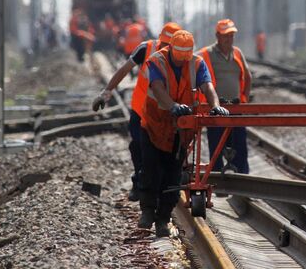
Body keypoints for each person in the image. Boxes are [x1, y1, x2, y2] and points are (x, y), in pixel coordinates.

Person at [139, 30, 229, 237]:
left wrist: (215, 106)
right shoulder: (156, 62)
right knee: (151, 168)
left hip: (179, 129)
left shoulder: (196, 63)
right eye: (179, 58)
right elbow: (158, 88)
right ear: (170, 49)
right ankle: (146, 210)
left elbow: (207, 86)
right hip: (154, 125)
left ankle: (163, 219)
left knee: (172, 174)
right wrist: (173, 106)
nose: (182, 62)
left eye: (185, 58)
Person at [92, 22, 182, 201]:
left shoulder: (181, 56)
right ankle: (139, 183)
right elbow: (124, 70)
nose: (164, 48)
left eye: (169, 45)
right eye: (163, 43)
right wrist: (106, 92)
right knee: (138, 147)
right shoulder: (145, 49)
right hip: (141, 109)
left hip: (166, 112)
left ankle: (163, 187)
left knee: (166, 151)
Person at [197, 19, 252, 174]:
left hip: (236, 108)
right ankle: (216, 181)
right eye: (226, 36)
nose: (229, 39)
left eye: (231, 35)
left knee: (240, 145)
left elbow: (247, 77)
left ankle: (243, 179)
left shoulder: (237, 53)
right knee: (216, 146)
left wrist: (244, 100)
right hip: (215, 109)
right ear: (217, 36)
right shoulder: (205, 54)